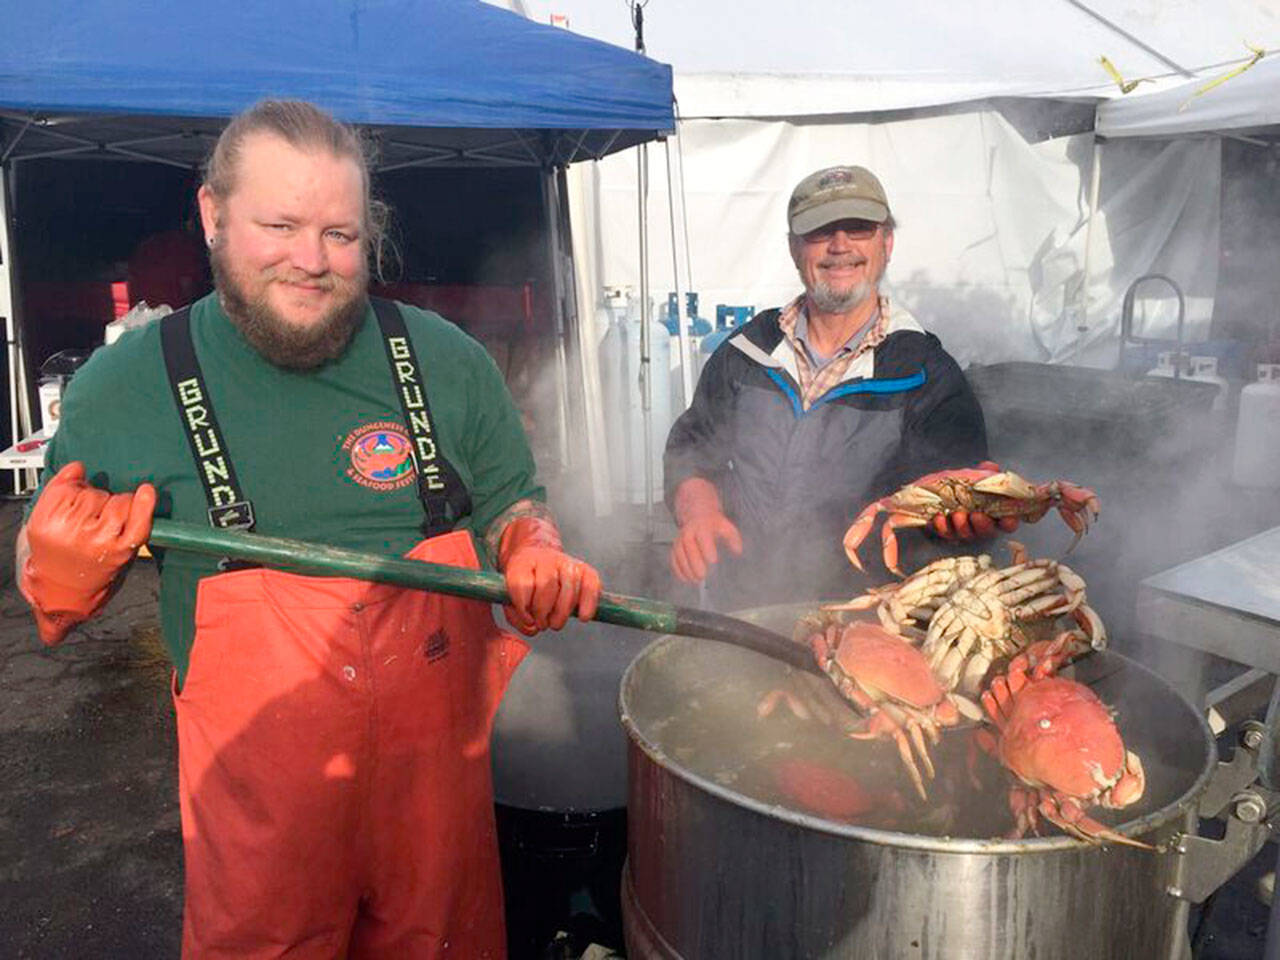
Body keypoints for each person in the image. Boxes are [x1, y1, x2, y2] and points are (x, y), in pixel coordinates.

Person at [15, 100, 601, 959]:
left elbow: (514, 498)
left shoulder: (447, 362)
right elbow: (41, 580)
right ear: (212, 215)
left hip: (435, 818)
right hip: (261, 835)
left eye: (341, 234)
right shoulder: (125, 386)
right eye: (279, 225)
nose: (311, 261)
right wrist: (57, 568)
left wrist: (531, 544)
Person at [664, 164, 1012, 611]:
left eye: (859, 228)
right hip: (745, 613)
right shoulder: (747, 351)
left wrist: (972, 519)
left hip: (867, 624)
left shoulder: (929, 375)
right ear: (794, 249)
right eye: (820, 231)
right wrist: (699, 514)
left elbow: (955, 507)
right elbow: (692, 448)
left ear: (886, 244)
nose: (840, 245)